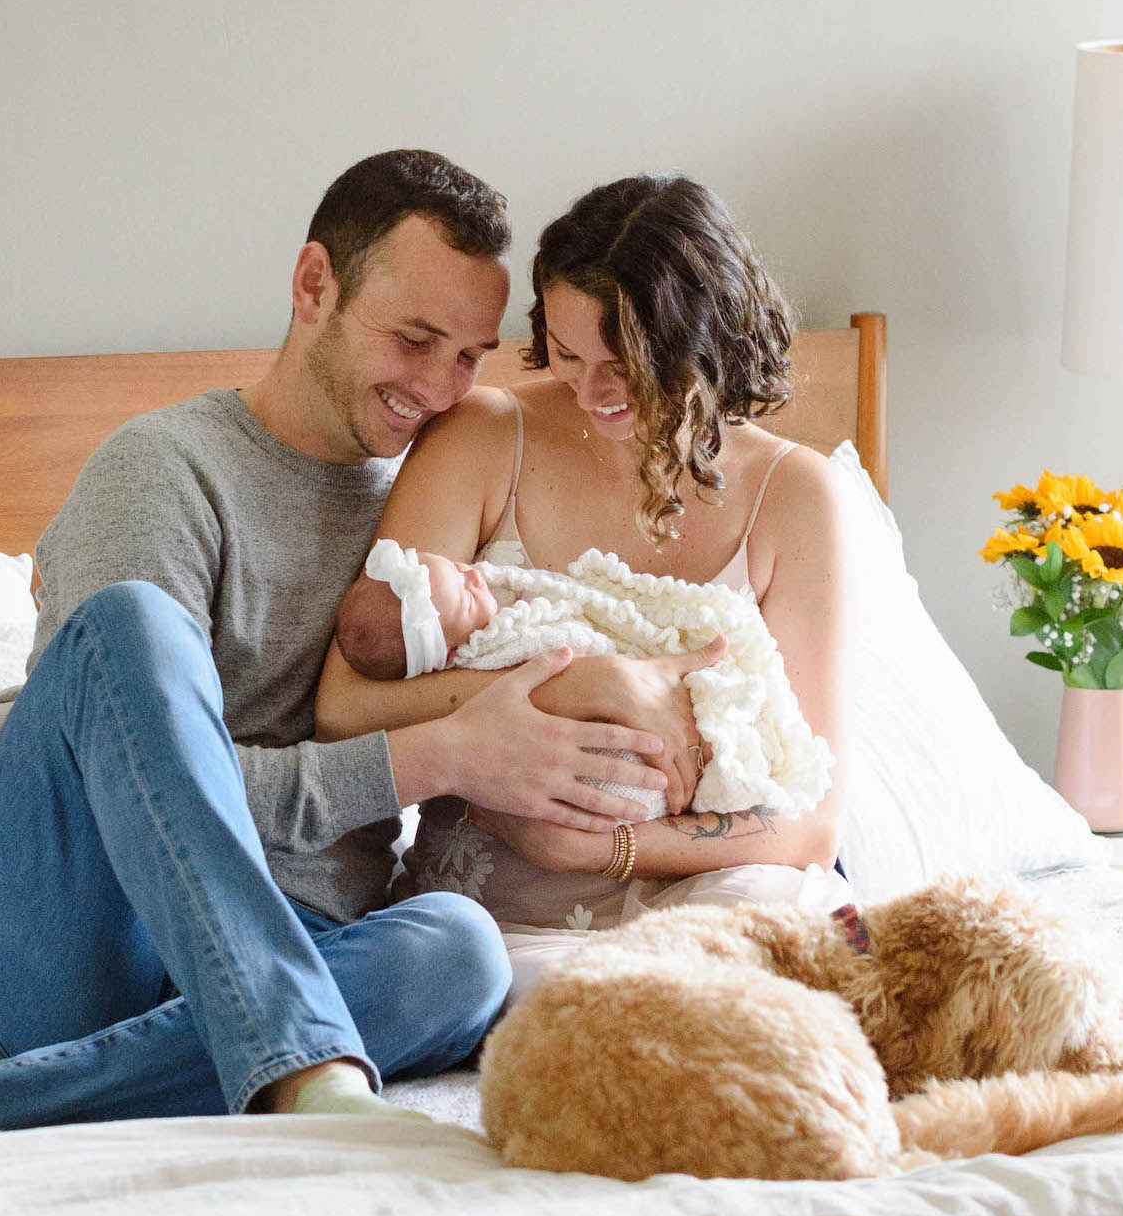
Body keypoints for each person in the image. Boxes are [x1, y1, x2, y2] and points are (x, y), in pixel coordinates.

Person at [0, 150, 693, 1161]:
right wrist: (439, 756)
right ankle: (306, 1064)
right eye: (413, 338)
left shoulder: (431, 507)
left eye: (468, 357)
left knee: (459, 951)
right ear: (313, 285)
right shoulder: (162, 471)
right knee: (131, 625)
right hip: (71, 943)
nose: (438, 388)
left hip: (292, 950)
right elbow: (137, 788)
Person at [314, 174, 850, 977]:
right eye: (568, 354)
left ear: (707, 340)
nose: (593, 392)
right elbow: (344, 707)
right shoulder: (485, 437)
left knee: (812, 949)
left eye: (627, 365)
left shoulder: (795, 494)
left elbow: (811, 823)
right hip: (493, 921)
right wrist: (585, 683)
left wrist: (606, 847)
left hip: (714, 890)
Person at [335, 535, 834, 821]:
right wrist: (597, 677)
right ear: (443, 657)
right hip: (596, 764)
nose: (476, 577)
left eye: (462, 568)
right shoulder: (488, 653)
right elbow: (576, 650)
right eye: (466, 596)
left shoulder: (493, 597)